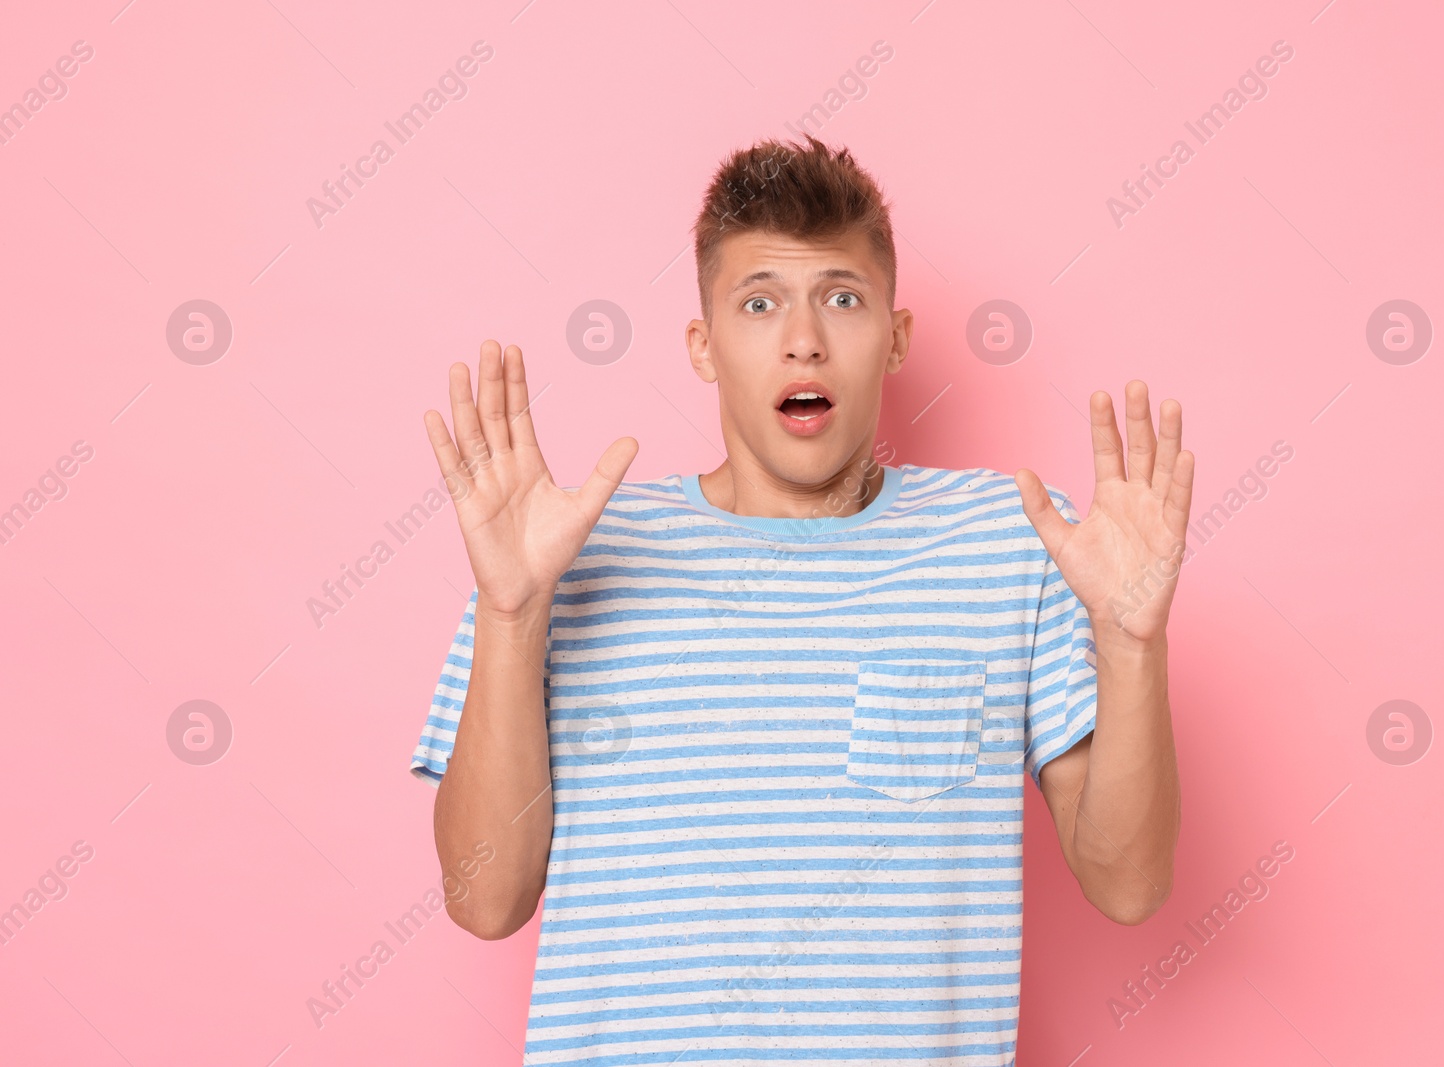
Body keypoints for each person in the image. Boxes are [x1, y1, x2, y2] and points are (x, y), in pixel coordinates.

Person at [410, 132, 1189, 1065]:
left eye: (844, 298)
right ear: (703, 346)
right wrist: (510, 614)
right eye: (760, 302)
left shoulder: (1017, 542)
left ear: (895, 337)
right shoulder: (565, 551)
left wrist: (1133, 639)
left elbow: (1129, 883)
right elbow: (482, 901)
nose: (804, 337)